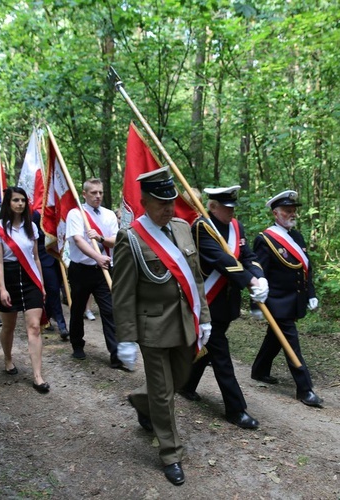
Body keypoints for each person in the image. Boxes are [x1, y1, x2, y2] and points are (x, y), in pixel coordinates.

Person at [112, 167, 211, 486]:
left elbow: (196, 279)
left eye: (171, 201)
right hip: (152, 328)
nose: (169, 208)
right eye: (161, 203)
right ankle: (171, 453)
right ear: (144, 202)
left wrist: (205, 317)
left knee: (178, 380)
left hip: (185, 323)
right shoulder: (131, 238)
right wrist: (125, 339)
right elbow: (123, 293)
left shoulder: (182, 227)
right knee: (164, 393)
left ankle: (143, 401)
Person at [179, 186, 268, 429]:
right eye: (226, 208)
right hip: (208, 303)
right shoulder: (201, 227)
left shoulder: (236, 226)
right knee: (221, 357)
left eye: (232, 208)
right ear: (212, 206)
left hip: (227, 303)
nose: (231, 212)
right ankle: (235, 409)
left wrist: (260, 277)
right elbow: (222, 261)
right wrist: (250, 281)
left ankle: (185, 384)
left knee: (208, 345)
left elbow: (247, 255)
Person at [250, 190, 323, 408]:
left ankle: (259, 370)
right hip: (277, 302)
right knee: (291, 342)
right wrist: (256, 304)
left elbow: (305, 269)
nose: (292, 214)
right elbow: (257, 272)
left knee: (276, 336)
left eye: (293, 211)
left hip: (295, 300)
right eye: (287, 211)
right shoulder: (265, 239)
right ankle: (305, 389)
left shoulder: (298, 237)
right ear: (275, 213)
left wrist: (311, 293)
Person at [0, 187, 49, 393]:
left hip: (30, 279)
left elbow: (35, 257)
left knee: (34, 327)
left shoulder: (31, 226)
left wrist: (41, 284)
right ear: (8, 203)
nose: (20, 204)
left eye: (23, 200)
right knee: (9, 326)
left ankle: (37, 376)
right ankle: (8, 359)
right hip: (9, 278)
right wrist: (2, 288)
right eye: (16, 200)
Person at [65, 178, 121, 367]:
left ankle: (116, 354)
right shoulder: (75, 214)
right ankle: (77, 345)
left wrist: (101, 238)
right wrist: (96, 256)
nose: (98, 196)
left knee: (109, 310)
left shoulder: (109, 215)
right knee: (78, 308)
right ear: (84, 194)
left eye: (100, 193)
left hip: (103, 270)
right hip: (81, 269)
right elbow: (79, 241)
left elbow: (116, 240)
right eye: (93, 193)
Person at [32, 209, 68, 340]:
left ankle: (45, 316)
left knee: (56, 288)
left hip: (59, 257)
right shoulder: (36, 214)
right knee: (53, 290)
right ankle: (62, 324)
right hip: (44, 257)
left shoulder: (60, 207)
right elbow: (34, 236)